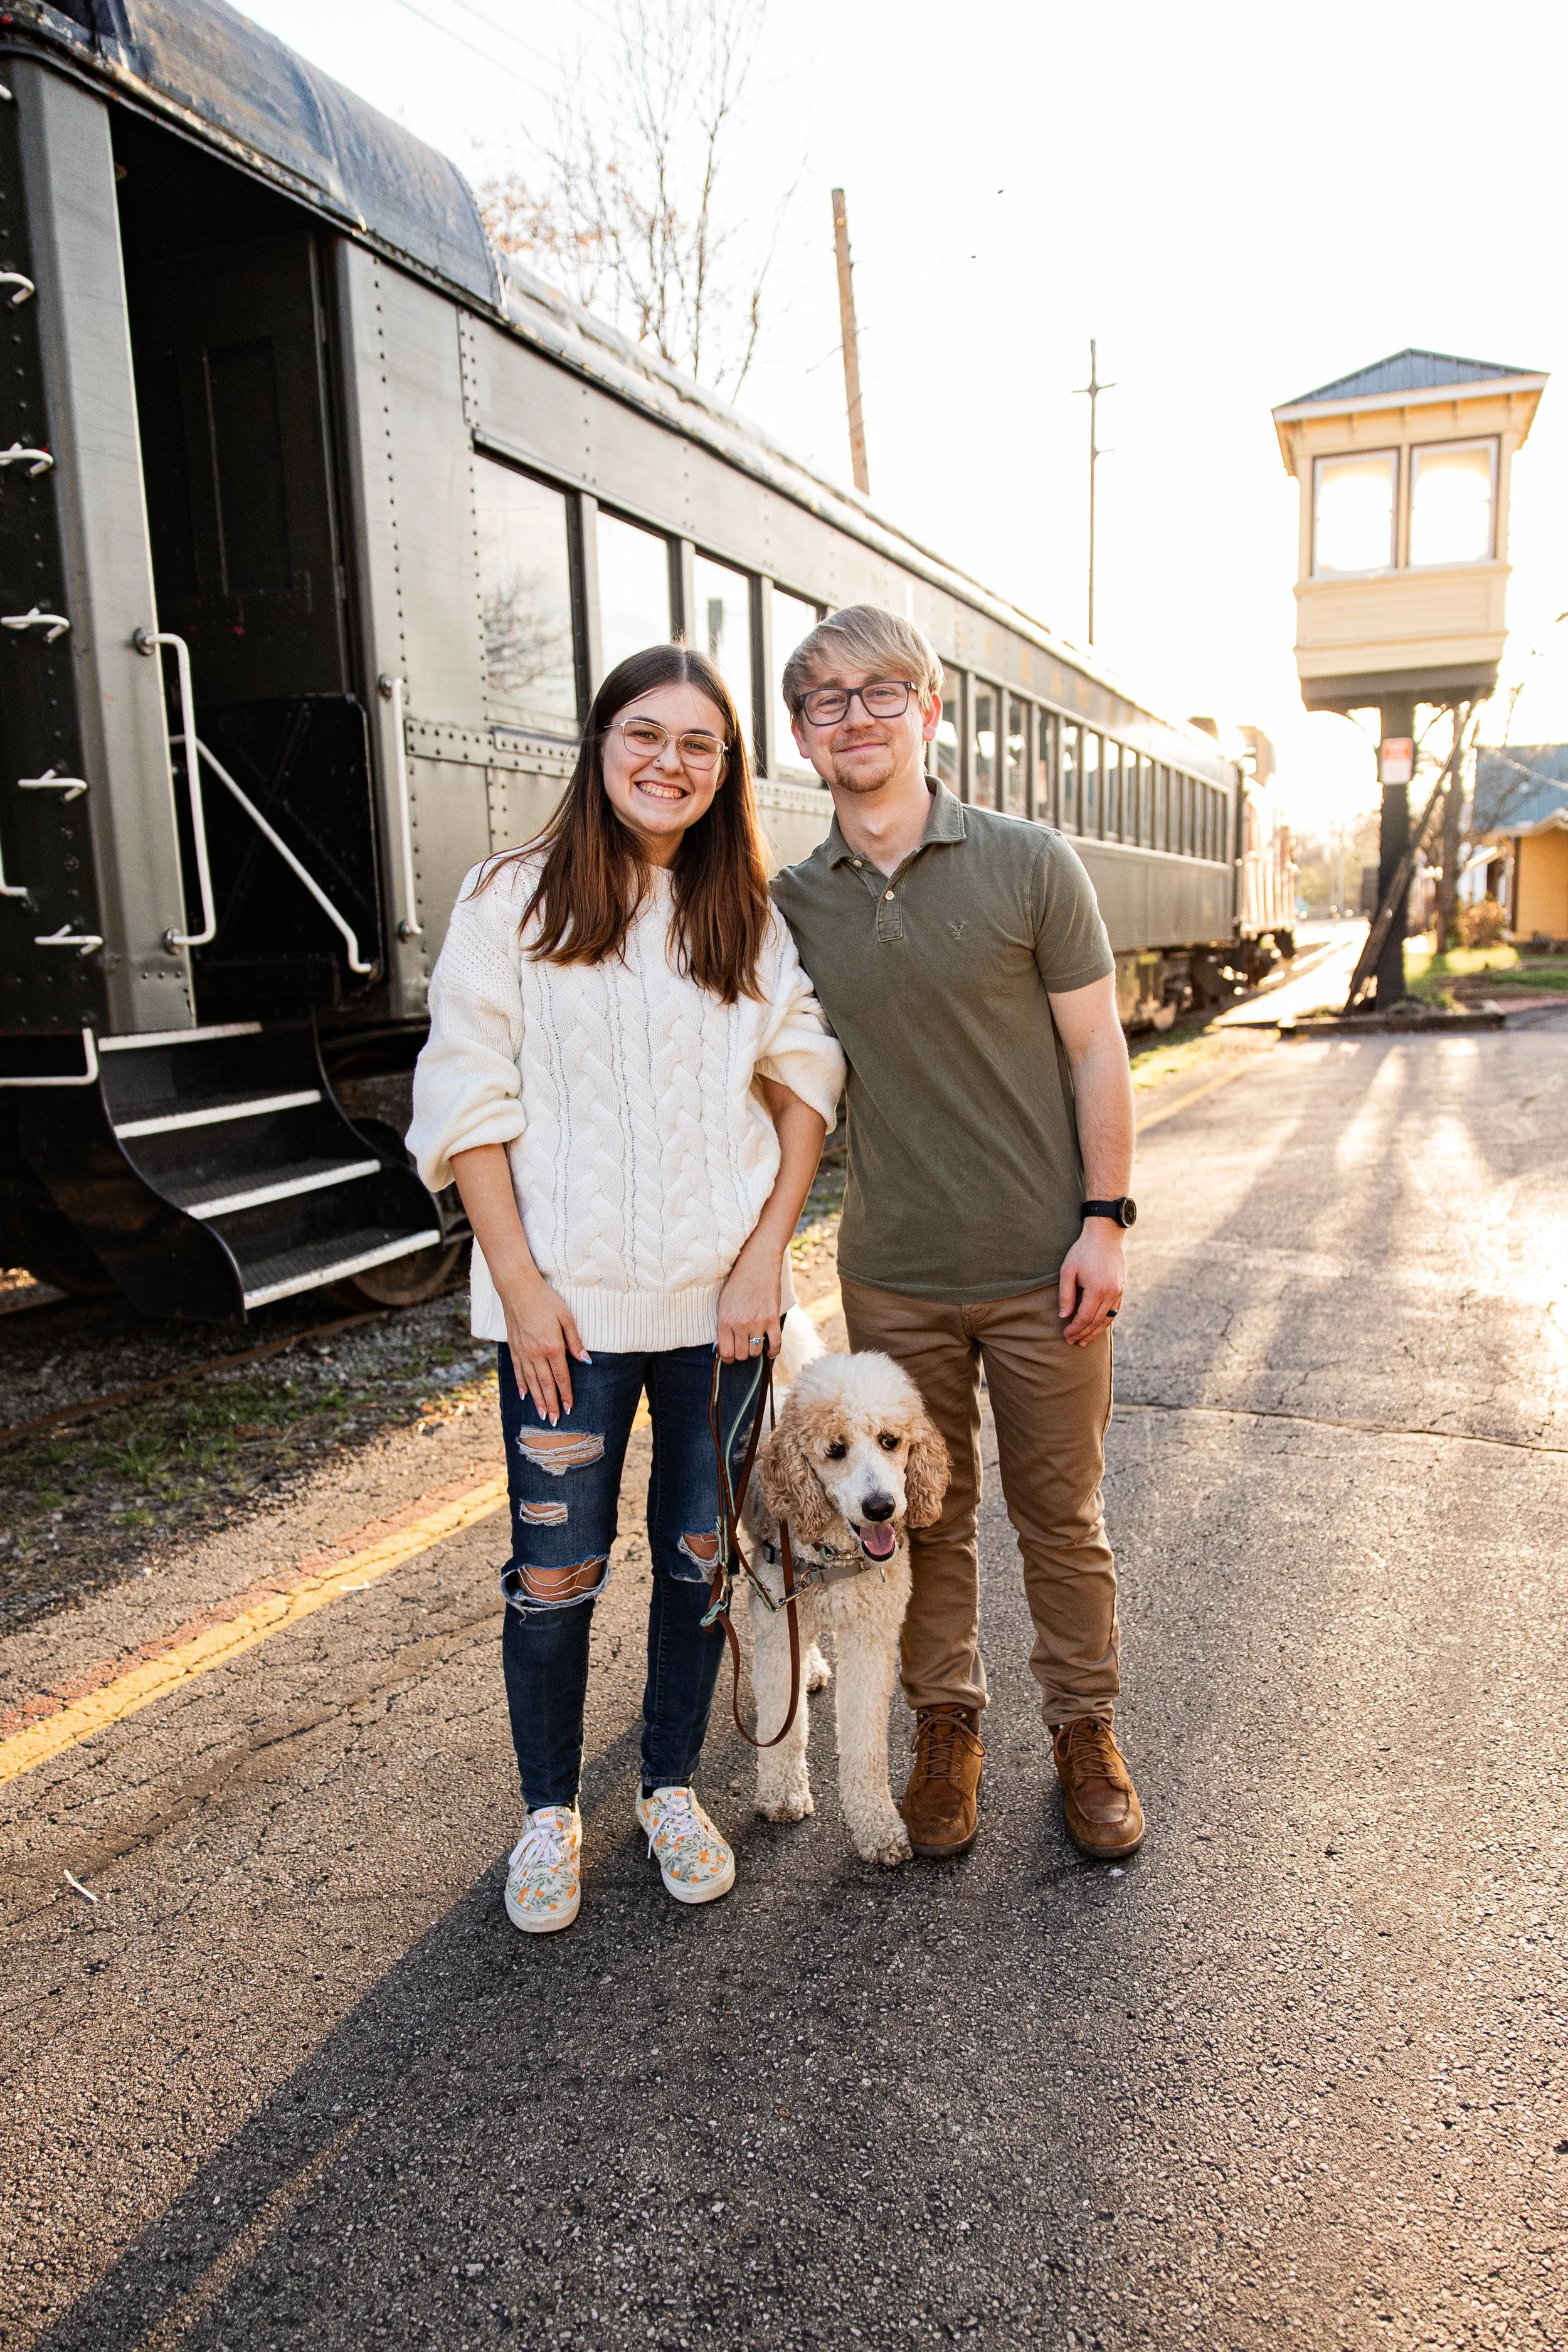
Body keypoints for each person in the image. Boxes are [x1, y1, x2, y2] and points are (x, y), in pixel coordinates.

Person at [408, 644, 844, 1934]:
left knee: (701, 1563)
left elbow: (806, 1073)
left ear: (725, 772)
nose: (669, 761)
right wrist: (520, 1285)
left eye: (699, 744)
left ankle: (664, 1786)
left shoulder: (741, 918)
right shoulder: (509, 902)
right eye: (643, 734)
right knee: (555, 1574)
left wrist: (768, 1248)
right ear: (598, 747)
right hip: (568, 1325)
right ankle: (549, 1816)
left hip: (724, 1319)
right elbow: (464, 1100)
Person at [770, 604, 1144, 1863]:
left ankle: (1084, 1736)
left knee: (1059, 1514)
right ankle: (947, 1727)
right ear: (802, 737)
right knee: (918, 1516)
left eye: (883, 692)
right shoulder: (791, 905)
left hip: (1048, 1268)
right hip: (897, 1278)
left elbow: (1096, 1048)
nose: (856, 715)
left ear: (929, 711)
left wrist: (1102, 1220)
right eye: (827, 700)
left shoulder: (1029, 862)